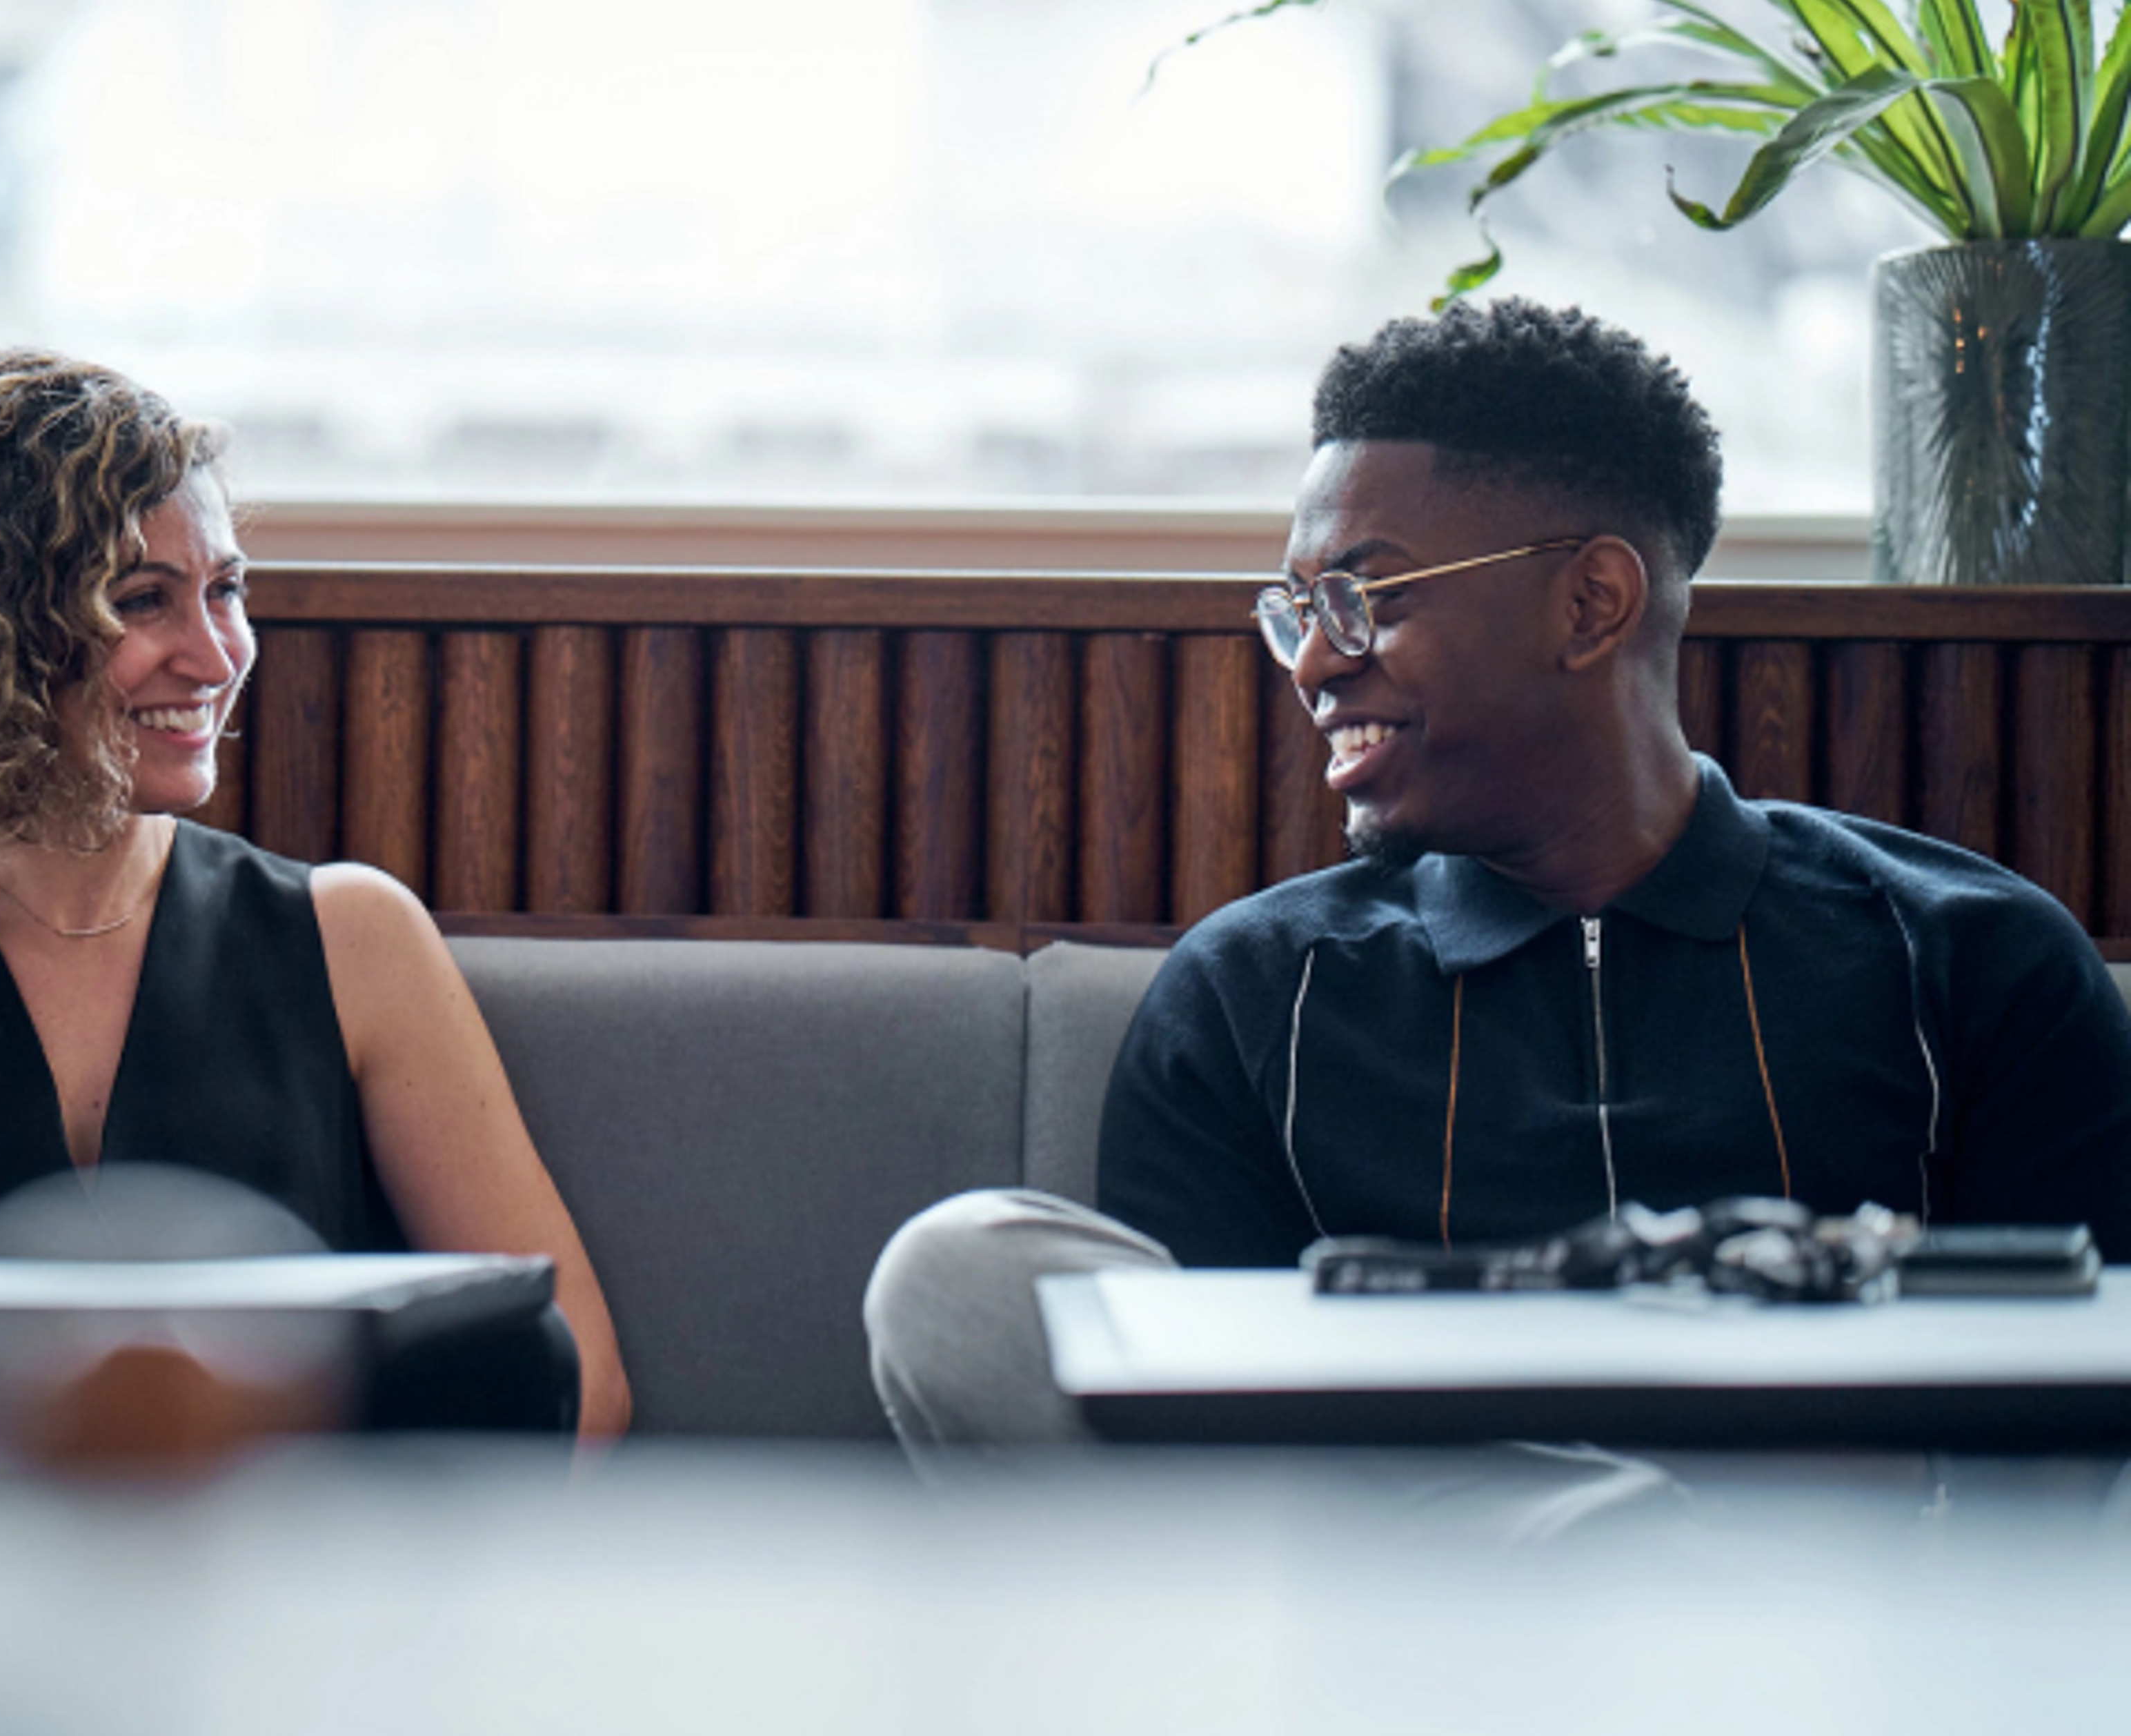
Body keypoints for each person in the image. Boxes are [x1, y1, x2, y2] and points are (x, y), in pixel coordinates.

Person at [865, 298, 2131, 1450]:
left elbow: (2073, 1432)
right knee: (962, 1274)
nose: (1311, 667)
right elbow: (1209, 1485)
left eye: (1363, 600)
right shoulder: (1252, 1000)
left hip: (1842, 1650)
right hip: (1402, 1647)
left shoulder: (1970, 961)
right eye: (1295, 613)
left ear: (1590, 605)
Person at [0, 348, 630, 1442]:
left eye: (225, 589)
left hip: (305, 1582)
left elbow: (580, 1382)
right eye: (144, 601)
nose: (217, 656)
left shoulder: (354, 937)